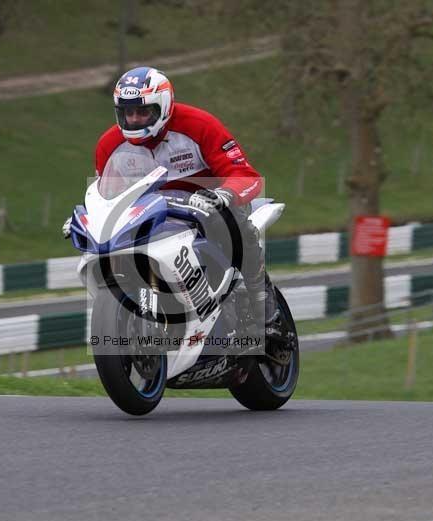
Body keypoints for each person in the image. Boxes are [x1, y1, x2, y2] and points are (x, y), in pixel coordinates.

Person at [64, 66, 278, 332]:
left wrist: (223, 194)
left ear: (164, 106)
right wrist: (87, 217)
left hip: (205, 205)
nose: (134, 119)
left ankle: (260, 294)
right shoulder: (109, 144)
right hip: (151, 215)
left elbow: (245, 175)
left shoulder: (200, 125)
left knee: (230, 218)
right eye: (127, 112)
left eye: (143, 111)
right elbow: (105, 194)